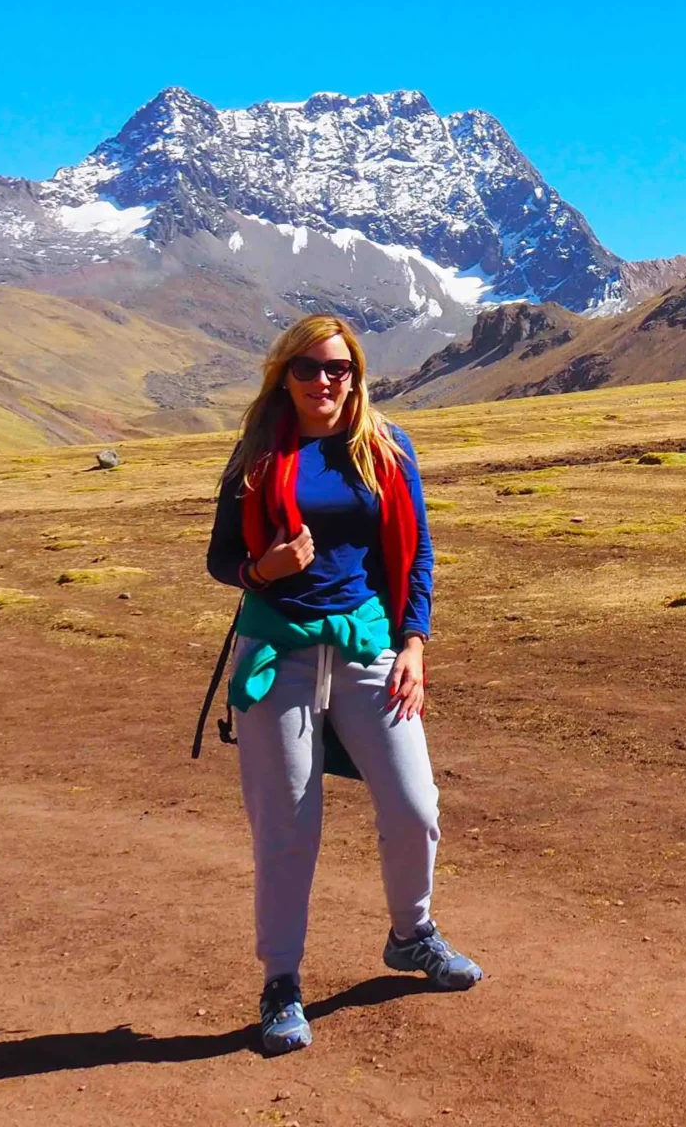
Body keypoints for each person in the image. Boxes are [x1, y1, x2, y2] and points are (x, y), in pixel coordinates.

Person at [203, 314, 478, 1057]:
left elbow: (417, 552)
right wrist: (267, 571)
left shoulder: (386, 447)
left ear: (356, 375)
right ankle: (282, 982)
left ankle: (411, 934)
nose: (324, 382)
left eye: (338, 369)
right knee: (287, 829)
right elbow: (222, 559)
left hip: (367, 646)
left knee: (415, 805)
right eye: (308, 369)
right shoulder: (258, 454)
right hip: (277, 651)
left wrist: (413, 643)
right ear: (283, 376)